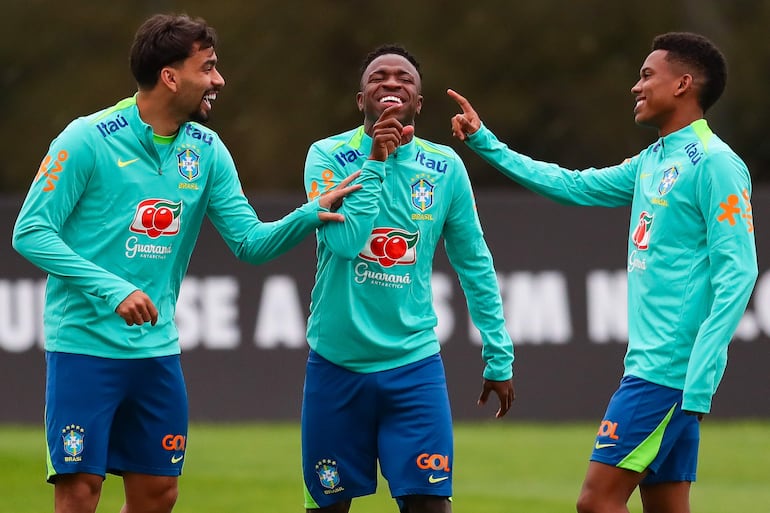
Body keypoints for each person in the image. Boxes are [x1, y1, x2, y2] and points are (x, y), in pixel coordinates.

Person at [11, 13, 359, 513]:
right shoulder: (86, 138)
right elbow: (30, 231)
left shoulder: (208, 150)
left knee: (159, 494)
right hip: (83, 348)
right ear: (170, 77)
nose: (219, 80)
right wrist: (114, 289)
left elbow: (249, 243)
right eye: (208, 67)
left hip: (156, 351)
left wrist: (310, 214)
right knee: (80, 489)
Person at [448, 32, 757, 513]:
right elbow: (572, 186)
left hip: (668, 375)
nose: (636, 86)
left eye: (647, 75)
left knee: (595, 502)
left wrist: (700, 374)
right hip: (657, 371)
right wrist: (485, 142)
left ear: (683, 84)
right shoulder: (653, 160)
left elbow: (738, 273)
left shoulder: (716, 163)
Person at [300, 44, 515, 513]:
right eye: (378, 77)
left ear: (418, 103)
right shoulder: (327, 156)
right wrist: (376, 160)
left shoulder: (445, 168)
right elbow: (344, 243)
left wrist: (499, 353)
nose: (392, 82)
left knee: (429, 507)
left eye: (405, 79)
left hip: (413, 367)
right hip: (336, 365)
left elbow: (474, 263)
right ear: (361, 100)